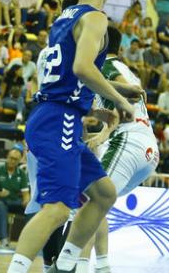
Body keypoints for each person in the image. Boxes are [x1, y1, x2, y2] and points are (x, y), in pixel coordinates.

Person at [9, 0, 137, 273]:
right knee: (57, 208)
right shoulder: (95, 18)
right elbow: (82, 68)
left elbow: (69, 74)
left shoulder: (65, 16)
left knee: (104, 193)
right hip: (59, 120)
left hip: (54, 113)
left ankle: (64, 265)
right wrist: (121, 100)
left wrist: (103, 95)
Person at [50, 26, 159, 273]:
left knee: (88, 202)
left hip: (128, 141)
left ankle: (67, 266)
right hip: (144, 147)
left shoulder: (107, 67)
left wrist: (106, 132)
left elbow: (129, 98)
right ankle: (101, 266)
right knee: (97, 205)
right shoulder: (119, 68)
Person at [0, 148, 30, 247]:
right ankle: (3, 238)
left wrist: (26, 202)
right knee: (1, 206)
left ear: (19, 160)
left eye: (16, 159)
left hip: (15, 202)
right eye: (11, 158)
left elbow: (25, 193)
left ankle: (28, 240)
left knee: (30, 210)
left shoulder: (21, 174)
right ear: (7, 157)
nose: (13, 161)